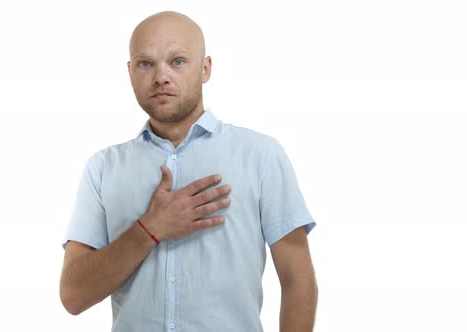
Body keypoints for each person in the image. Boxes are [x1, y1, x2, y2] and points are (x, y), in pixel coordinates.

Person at [59, 11, 318, 332]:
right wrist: (148, 229)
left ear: (205, 69)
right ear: (129, 72)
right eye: (145, 63)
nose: (160, 76)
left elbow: (297, 281)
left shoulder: (261, 155)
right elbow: (73, 295)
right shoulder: (102, 168)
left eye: (177, 61)